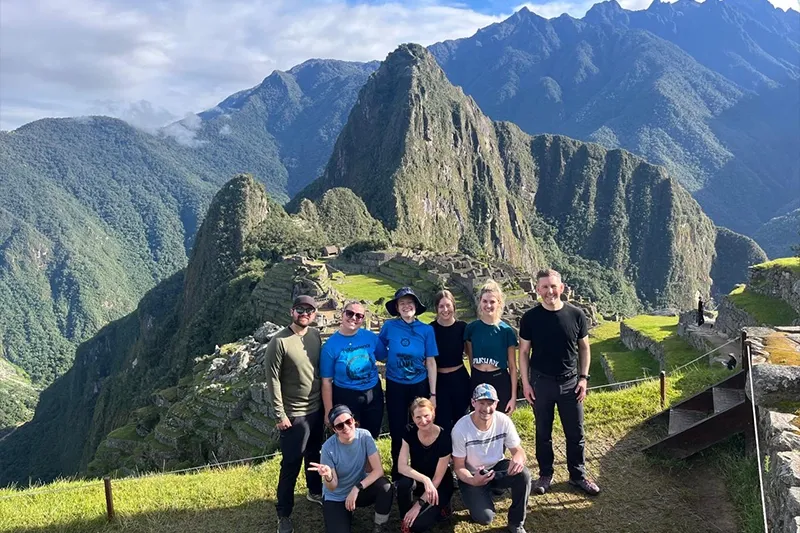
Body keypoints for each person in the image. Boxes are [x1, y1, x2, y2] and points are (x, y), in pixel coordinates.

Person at [518, 268, 601, 496]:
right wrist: (525, 383)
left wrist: (583, 378)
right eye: (544, 287)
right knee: (543, 432)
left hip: (570, 383)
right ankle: (545, 474)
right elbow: (523, 352)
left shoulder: (576, 315)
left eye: (553, 286)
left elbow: (584, 347)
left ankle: (578, 475)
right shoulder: (530, 319)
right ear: (537, 290)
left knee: (575, 432)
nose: (549, 291)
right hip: (541, 383)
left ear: (561, 288)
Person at [265, 295, 325, 533]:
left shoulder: (314, 335)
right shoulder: (279, 342)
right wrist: (280, 415)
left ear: (314, 314)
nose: (305, 313)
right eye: (300, 309)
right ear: (292, 312)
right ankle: (284, 514)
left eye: (309, 310)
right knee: (290, 464)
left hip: (316, 409)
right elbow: (273, 380)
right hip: (294, 413)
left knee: (314, 454)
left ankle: (314, 491)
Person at [451, 383, 531, 533]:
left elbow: (519, 451)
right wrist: (472, 480)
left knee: (524, 474)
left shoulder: (503, 420)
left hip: (497, 468)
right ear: (473, 402)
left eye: (490, 403)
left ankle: (516, 523)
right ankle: (476, 493)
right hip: (473, 474)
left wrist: (518, 459)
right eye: (481, 403)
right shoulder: (460, 429)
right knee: (485, 518)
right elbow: (459, 467)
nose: (486, 409)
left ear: (497, 403)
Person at [379, 287, 438, 476]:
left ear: (416, 306)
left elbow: (430, 361)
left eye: (409, 302)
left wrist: (433, 393)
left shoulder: (426, 330)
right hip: (395, 384)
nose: (406, 306)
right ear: (397, 307)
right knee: (397, 429)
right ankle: (398, 473)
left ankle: (421, 468)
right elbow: (379, 350)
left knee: (421, 425)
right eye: (402, 303)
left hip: (419, 384)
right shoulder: (389, 327)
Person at [309, 405, 394, 533]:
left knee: (385, 486)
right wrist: (328, 475)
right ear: (334, 430)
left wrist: (357, 488)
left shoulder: (365, 436)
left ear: (353, 420)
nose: (346, 428)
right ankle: (343, 514)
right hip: (336, 496)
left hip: (358, 490)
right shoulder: (328, 448)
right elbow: (332, 487)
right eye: (340, 426)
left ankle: (379, 527)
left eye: (348, 422)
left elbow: (378, 471)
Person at [321, 301, 387, 438]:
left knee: (372, 434)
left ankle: (370, 460)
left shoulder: (370, 337)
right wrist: (329, 410)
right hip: (346, 395)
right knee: (349, 437)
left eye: (359, 316)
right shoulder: (330, 346)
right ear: (342, 314)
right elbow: (326, 381)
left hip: (373, 393)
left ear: (363, 319)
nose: (354, 318)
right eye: (350, 313)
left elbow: (384, 357)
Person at [395, 398, 453, 533]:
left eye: (426, 415)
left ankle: (443, 507)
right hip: (421, 480)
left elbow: (437, 479)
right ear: (413, 418)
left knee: (418, 526)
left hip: (439, 485)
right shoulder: (409, 431)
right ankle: (406, 518)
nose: (423, 420)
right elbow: (401, 466)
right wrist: (425, 479)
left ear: (433, 413)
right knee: (404, 483)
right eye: (418, 417)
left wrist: (418, 505)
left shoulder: (444, 437)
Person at [464, 280, 519, 414]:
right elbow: (470, 357)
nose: (488, 305)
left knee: (500, 421)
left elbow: (512, 366)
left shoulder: (506, 331)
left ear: (499, 303)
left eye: (492, 302)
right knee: (477, 419)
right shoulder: (471, 329)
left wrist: (513, 397)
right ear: (480, 302)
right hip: (478, 377)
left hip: (500, 379)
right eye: (485, 301)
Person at [428, 290, 469, 434]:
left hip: (460, 379)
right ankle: (446, 455)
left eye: (448, 305)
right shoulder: (430, 329)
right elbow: (429, 360)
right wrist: (432, 393)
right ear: (436, 309)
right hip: (439, 381)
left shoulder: (463, 327)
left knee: (462, 421)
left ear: (454, 307)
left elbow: (471, 355)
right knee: (442, 422)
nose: (445, 310)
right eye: (441, 306)